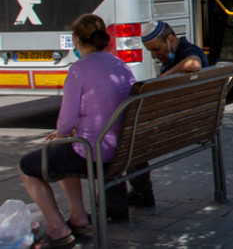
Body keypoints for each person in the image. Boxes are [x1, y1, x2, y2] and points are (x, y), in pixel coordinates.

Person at [19, 14, 135, 249]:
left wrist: (64, 133)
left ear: (75, 40)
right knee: (64, 149)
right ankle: (78, 217)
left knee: (27, 166)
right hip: (124, 148)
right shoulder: (120, 65)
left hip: (93, 153)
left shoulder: (78, 69)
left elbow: (64, 125)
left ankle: (58, 228)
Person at [107, 20, 210, 215]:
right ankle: (139, 192)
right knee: (129, 131)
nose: (155, 55)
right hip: (198, 123)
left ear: (171, 39)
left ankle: (131, 195)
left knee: (125, 137)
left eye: (156, 49)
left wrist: (162, 79)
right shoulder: (177, 54)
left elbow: (194, 64)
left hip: (179, 127)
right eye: (151, 51)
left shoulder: (188, 51)